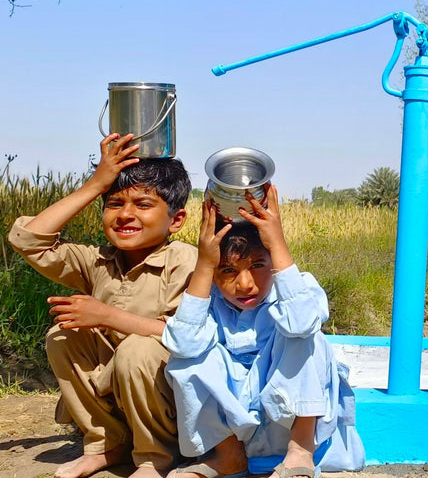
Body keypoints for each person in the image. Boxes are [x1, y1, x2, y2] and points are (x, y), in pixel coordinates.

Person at [6, 133, 195, 478]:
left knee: (138, 349)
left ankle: (155, 457)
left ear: (177, 220)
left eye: (143, 205)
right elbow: (27, 240)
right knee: (62, 335)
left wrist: (108, 315)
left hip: (170, 404)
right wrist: (96, 184)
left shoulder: (184, 261)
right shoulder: (97, 260)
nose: (125, 215)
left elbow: (186, 337)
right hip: (119, 394)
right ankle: (108, 444)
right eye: (114, 203)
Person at [163, 186, 364, 478]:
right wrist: (205, 264)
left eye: (258, 265)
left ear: (274, 261)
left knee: (304, 336)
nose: (245, 284)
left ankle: (300, 452)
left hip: (290, 433)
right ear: (214, 276)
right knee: (187, 355)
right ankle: (227, 457)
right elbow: (182, 345)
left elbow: (302, 323)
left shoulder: (298, 289)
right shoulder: (209, 301)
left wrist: (277, 242)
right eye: (228, 270)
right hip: (240, 437)